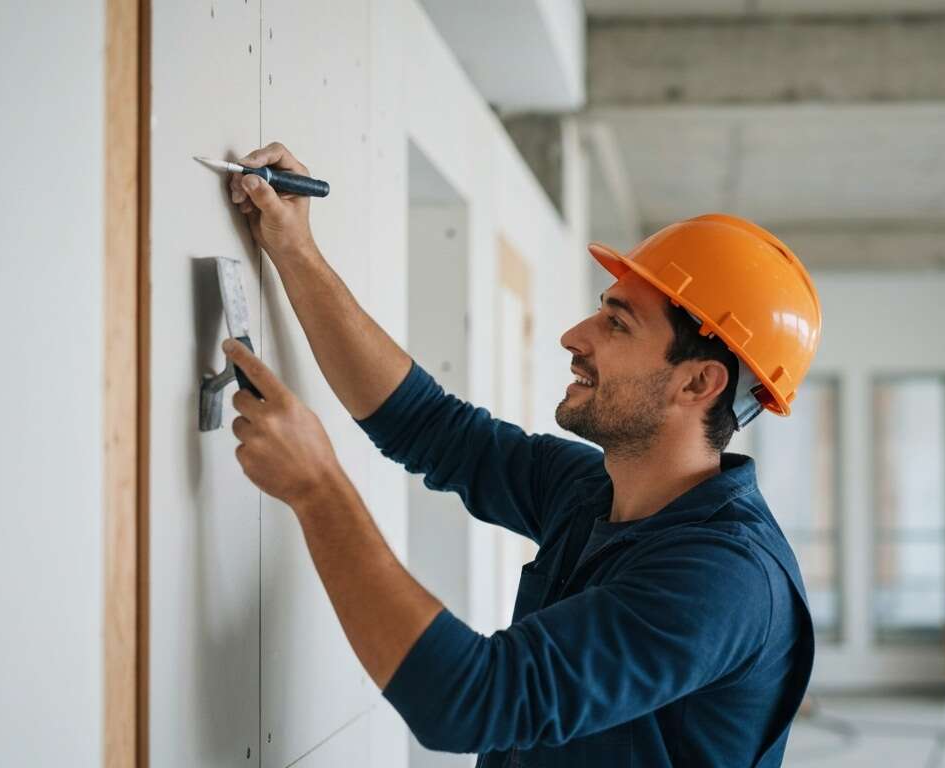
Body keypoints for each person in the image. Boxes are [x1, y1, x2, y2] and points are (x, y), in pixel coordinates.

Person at [221, 142, 822, 766]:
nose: (574, 337)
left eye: (617, 324)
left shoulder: (724, 581)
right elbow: (428, 426)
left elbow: (472, 701)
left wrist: (318, 488)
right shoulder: (595, 491)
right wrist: (294, 249)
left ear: (697, 383)